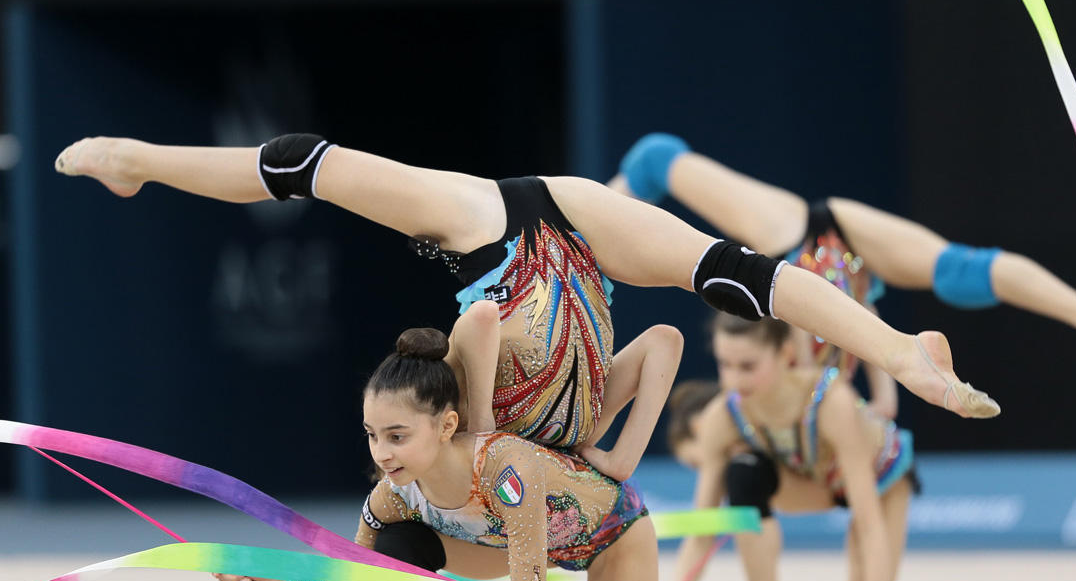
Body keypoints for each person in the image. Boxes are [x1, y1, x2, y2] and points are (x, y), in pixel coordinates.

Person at [56, 134, 1001, 425]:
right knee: (734, 277)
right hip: (581, 241)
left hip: (496, 231)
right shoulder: (560, 455)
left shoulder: (474, 456)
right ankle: (902, 353)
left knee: (308, 166)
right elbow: (652, 359)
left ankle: (140, 158)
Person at [216, 328, 666, 581]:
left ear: (447, 425)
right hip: (504, 542)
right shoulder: (390, 499)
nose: (382, 453)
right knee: (395, 550)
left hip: (613, 537)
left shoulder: (507, 471)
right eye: (372, 434)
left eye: (397, 436)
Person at [610, 132, 1076, 370]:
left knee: (959, 270)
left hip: (798, 238)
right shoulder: (786, 393)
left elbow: (655, 156)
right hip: (826, 277)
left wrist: (610, 211)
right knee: (957, 274)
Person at [666, 315, 916, 581]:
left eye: (748, 366)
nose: (734, 380)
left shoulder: (832, 402)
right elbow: (704, 526)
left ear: (784, 353)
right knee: (744, 475)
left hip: (883, 480)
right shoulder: (724, 415)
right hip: (809, 482)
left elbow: (870, 525)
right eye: (725, 365)